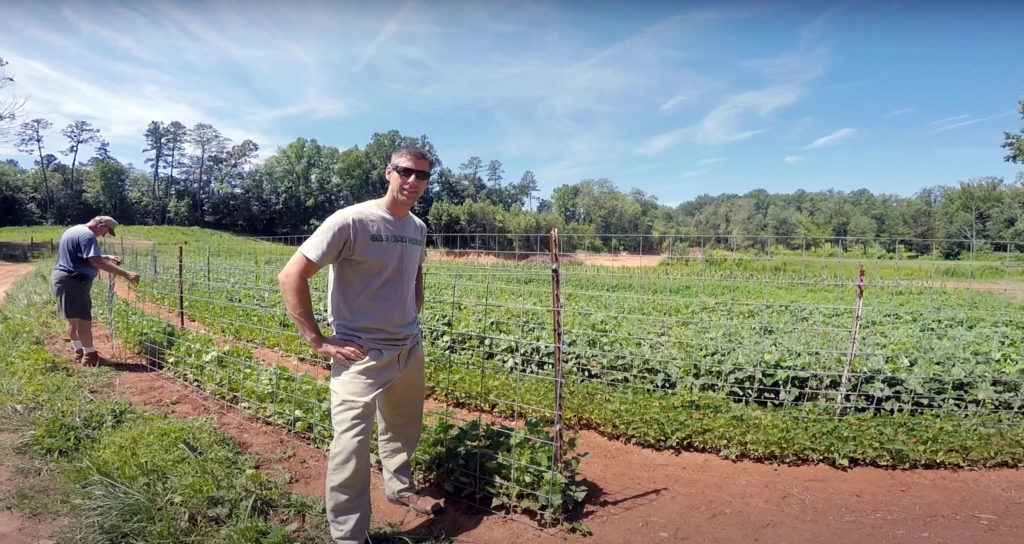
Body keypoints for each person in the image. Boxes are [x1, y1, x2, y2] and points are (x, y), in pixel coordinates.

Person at [278, 145, 443, 544]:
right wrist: (317, 341)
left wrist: (412, 309)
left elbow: (416, 274)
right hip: (360, 354)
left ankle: (400, 488)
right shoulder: (352, 220)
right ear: (388, 172)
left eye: (422, 175)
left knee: (403, 427)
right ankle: (349, 534)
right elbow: (290, 276)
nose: (413, 181)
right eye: (406, 171)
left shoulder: (417, 228)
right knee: (350, 446)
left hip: (408, 346)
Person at [51, 215, 140, 366]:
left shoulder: (73, 230)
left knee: (73, 320)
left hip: (63, 279)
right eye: (107, 231)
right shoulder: (88, 235)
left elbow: (81, 256)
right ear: (101, 224)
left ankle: (79, 351)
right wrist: (126, 274)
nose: (105, 235)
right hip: (74, 282)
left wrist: (106, 256)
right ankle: (90, 356)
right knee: (83, 321)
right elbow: (95, 261)